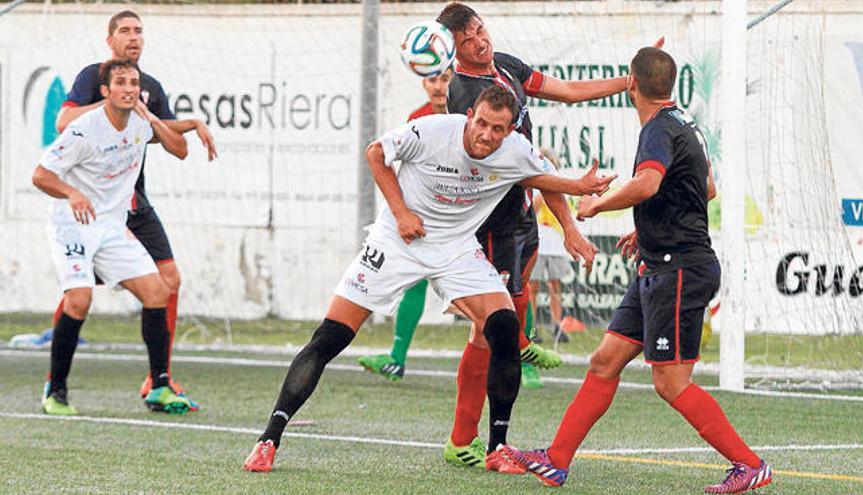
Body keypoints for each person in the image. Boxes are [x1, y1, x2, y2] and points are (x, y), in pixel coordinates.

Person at [243, 86, 614, 473]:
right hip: (398, 238)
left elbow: (543, 178)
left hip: (454, 248)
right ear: (469, 115)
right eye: (482, 123)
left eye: (497, 129)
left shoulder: (516, 149)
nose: (486, 134)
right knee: (331, 337)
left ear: (509, 131)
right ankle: (269, 439)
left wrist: (572, 216)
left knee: (504, 326)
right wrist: (401, 212)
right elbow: (376, 153)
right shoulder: (433, 131)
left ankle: (498, 447)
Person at [501, 47, 771, 494]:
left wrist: (597, 203)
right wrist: (648, 229)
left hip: (680, 270)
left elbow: (648, 183)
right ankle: (556, 460)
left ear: (631, 83)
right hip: (658, 264)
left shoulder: (657, 129)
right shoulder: (684, 122)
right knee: (605, 360)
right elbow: (705, 188)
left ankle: (749, 464)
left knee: (670, 382)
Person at [436, 1, 656, 472]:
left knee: (501, 323)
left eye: (479, 30)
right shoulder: (463, 94)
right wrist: (572, 222)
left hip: (521, 216)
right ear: (453, 49)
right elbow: (523, 168)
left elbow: (570, 94)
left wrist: (628, 81)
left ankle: (516, 344)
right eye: (466, 40)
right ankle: (471, 440)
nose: (478, 41)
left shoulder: (507, 67)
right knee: (488, 333)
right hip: (490, 223)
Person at [54, 10, 217, 404]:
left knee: (170, 280)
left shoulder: (151, 87)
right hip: (90, 205)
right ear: (109, 39)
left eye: (138, 31)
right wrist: (115, 101)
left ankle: (158, 379)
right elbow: (63, 120)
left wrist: (191, 123)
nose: (133, 37)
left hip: (133, 201)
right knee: (77, 296)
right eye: (125, 30)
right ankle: (55, 379)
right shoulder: (93, 77)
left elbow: (166, 135)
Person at [33, 60, 195, 416]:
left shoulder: (140, 122)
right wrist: (72, 193)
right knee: (79, 299)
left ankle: (160, 386)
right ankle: (55, 390)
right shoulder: (84, 129)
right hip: (72, 223)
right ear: (105, 92)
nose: (129, 88)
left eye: (134, 83)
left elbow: (179, 146)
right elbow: (41, 175)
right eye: (121, 83)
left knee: (157, 292)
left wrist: (194, 123)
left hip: (110, 226)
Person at [358, 67, 453, 381]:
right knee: (415, 281)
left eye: (445, 78)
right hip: (427, 215)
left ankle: (526, 358)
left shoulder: (470, 114)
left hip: (465, 217)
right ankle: (397, 359)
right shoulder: (418, 118)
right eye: (432, 80)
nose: (438, 86)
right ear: (424, 83)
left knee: (508, 283)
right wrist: (403, 213)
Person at [529, 150, 576, 347]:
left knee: (555, 286)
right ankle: (532, 328)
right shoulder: (537, 190)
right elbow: (532, 211)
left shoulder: (560, 190)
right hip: (539, 243)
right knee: (532, 287)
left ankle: (557, 325)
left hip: (555, 245)